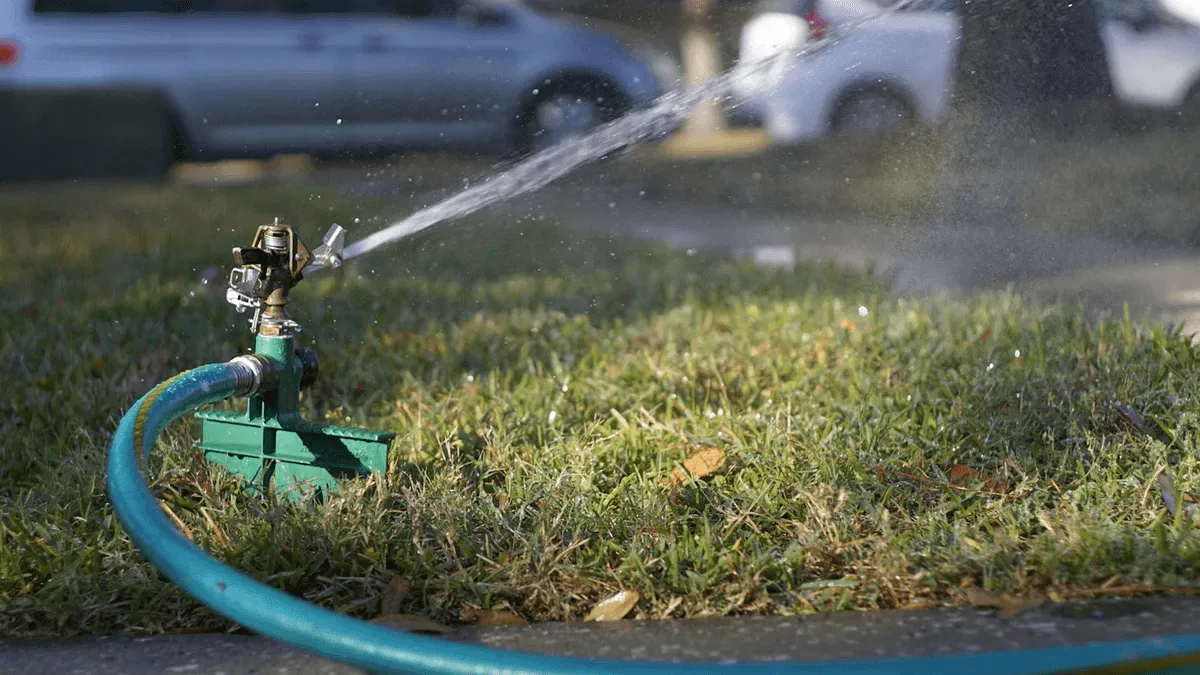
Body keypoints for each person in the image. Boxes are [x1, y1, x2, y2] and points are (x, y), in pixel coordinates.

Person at [732, 0, 828, 121]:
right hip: (790, 24)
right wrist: (820, 34)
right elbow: (814, 18)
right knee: (779, 90)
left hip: (760, 22)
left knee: (750, 86)